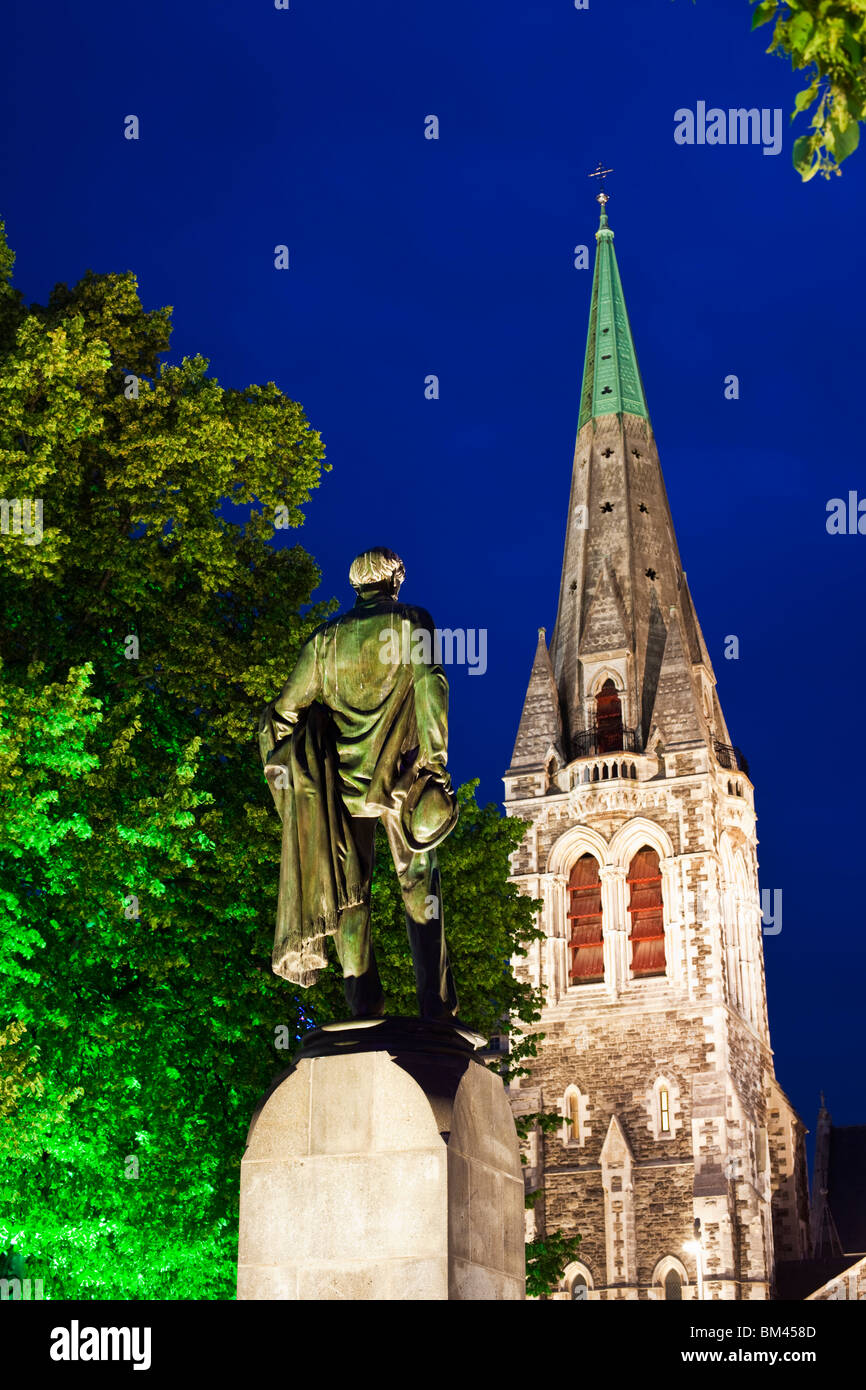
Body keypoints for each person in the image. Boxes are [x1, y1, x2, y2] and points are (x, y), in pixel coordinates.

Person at [258, 547, 459, 1021]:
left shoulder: (324, 642)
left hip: (342, 791)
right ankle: (436, 1007)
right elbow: (433, 686)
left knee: (351, 897)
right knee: (420, 886)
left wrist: (298, 770)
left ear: (356, 588)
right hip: (405, 781)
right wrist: (436, 763)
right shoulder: (413, 622)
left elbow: (284, 714)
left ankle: (361, 1009)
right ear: (395, 582)